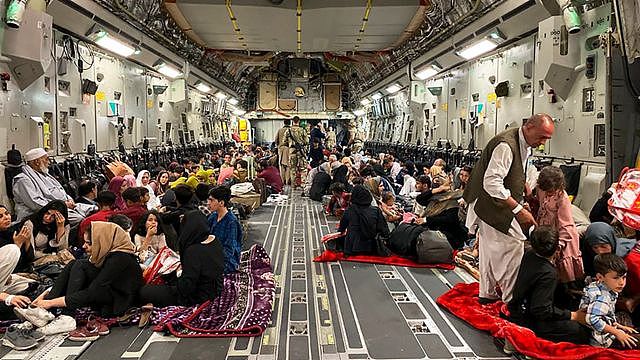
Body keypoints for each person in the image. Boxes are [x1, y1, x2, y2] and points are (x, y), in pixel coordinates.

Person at [464, 114, 555, 304]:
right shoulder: (505, 145)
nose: (543, 143)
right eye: (541, 137)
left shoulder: (524, 143)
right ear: (529, 127)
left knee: (488, 248)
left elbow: (514, 169)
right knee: (513, 245)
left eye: (547, 139)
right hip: (488, 202)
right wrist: (518, 210)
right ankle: (510, 301)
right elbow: (492, 182)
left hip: (491, 201)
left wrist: (523, 185)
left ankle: (487, 293)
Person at [33, 221, 142, 317]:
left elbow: (93, 291)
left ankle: (67, 315)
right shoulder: (110, 253)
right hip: (111, 292)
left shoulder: (119, 258)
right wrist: (47, 298)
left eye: (89, 243)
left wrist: (52, 302)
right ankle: (46, 310)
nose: (84, 246)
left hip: (121, 302)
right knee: (74, 264)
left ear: (103, 241)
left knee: (80, 265)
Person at [507, 227, 590, 345]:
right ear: (556, 248)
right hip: (528, 318)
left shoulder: (529, 254)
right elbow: (540, 310)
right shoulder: (548, 273)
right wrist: (573, 316)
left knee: (570, 300)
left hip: (519, 307)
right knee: (579, 331)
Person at [139, 211, 224, 307]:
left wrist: (178, 275)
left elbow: (186, 287)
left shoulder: (193, 251)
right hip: (213, 289)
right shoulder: (214, 240)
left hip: (197, 296)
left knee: (145, 291)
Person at [12, 148, 94, 224]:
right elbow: (36, 204)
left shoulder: (45, 174)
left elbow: (60, 190)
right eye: (46, 159)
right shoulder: (23, 180)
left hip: (62, 207)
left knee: (93, 209)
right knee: (79, 218)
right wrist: (63, 205)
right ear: (37, 162)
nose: (49, 162)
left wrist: (69, 200)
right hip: (43, 213)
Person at [535, 166, 584, 284]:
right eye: (545, 190)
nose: (547, 193)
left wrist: (558, 246)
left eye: (550, 191)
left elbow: (566, 225)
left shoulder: (562, 198)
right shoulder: (541, 189)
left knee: (564, 274)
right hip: (546, 232)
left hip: (562, 235)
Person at [579, 253, 639, 348]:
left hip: (607, 326)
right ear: (600, 277)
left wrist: (619, 326)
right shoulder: (602, 297)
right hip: (604, 341)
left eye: (624, 277)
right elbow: (592, 319)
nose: (622, 282)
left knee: (624, 317)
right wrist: (618, 333)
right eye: (616, 278)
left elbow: (606, 315)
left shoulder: (600, 285)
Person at [338, 185, 390, 256]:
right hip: (371, 247)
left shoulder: (350, 209)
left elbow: (341, 228)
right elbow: (383, 229)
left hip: (352, 247)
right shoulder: (375, 210)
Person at [0, 206, 35, 306]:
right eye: (0, 216)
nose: (6, 217)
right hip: (7, 277)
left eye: (7, 213)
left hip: (10, 279)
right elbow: (12, 267)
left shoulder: (14, 232)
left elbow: (29, 259)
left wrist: (27, 241)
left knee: (33, 285)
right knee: (12, 249)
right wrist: (17, 245)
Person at [207, 186, 243, 274]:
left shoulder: (231, 222)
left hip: (226, 261)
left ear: (221, 203)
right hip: (213, 255)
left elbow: (229, 250)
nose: (208, 203)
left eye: (211, 200)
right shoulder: (213, 216)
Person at [286, 116, 309, 189]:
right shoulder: (302, 130)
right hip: (301, 152)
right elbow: (307, 141)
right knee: (303, 169)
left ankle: (293, 185)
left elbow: (284, 141)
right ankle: (303, 184)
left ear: (292, 121)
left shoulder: (288, 130)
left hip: (292, 151)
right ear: (299, 121)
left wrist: (290, 143)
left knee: (293, 169)